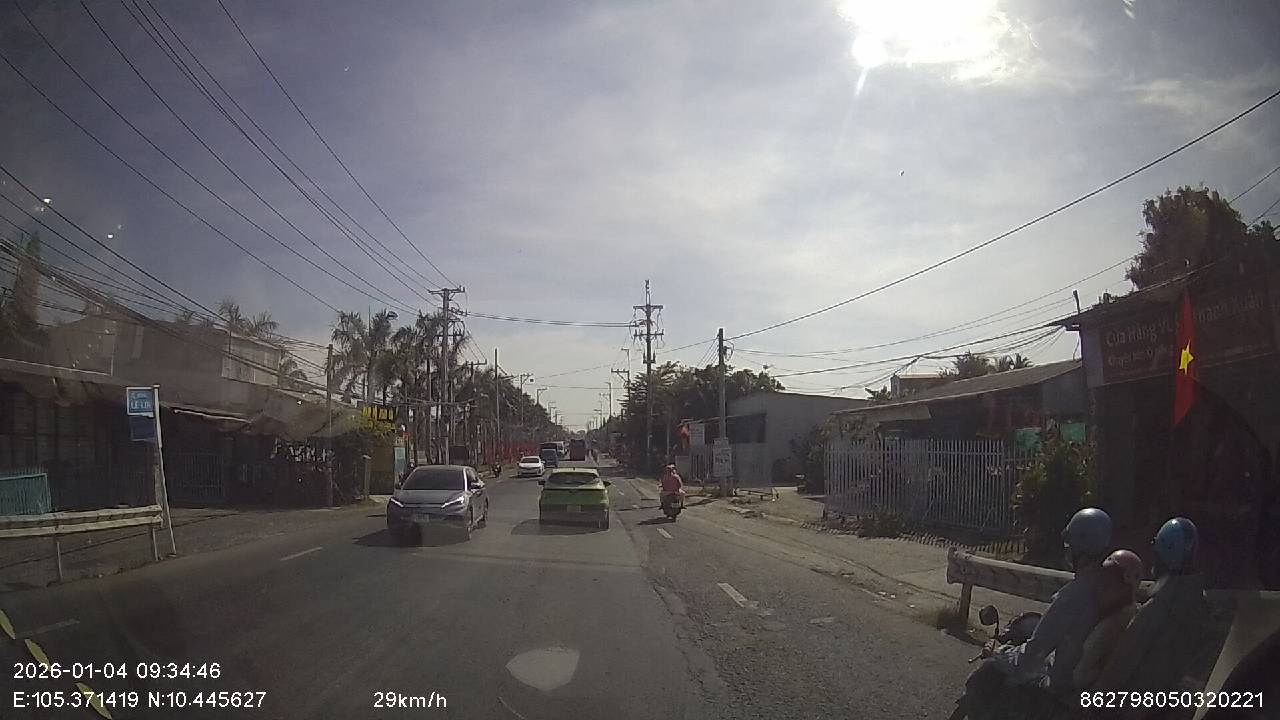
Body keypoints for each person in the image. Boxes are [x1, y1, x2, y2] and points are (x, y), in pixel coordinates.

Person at [954, 508, 1114, 719]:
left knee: (987, 675)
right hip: (1084, 681)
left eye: (1070, 545)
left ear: (1080, 546)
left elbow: (1035, 651)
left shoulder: (1073, 596)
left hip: (1059, 683)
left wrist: (1000, 655)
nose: (1067, 551)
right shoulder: (1108, 589)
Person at [1093, 517, 1211, 702]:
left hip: (1135, 705)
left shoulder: (1157, 606)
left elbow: (1122, 663)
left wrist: (1093, 699)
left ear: (1164, 554)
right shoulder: (1200, 603)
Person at [1073, 549, 1143, 689]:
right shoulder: (1133, 612)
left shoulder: (1112, 623)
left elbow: (1079, 675)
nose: (1103, 585)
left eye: (1111, 580)